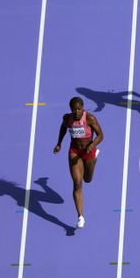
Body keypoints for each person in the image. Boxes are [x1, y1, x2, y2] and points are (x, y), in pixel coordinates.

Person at [53, 97, 103, 229]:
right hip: (74, 151)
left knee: (87, 179)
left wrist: (92, 144)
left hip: (89, 151)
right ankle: (80, 216)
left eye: (79, 109)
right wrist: (59, 143)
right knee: (77, 183)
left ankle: (95, 158)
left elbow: (100, 135)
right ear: (70, 109)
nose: (76, 112)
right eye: (74, 109)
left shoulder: (90, 118)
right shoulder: (67, 118)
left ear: (83, 108)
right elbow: (63, 128)